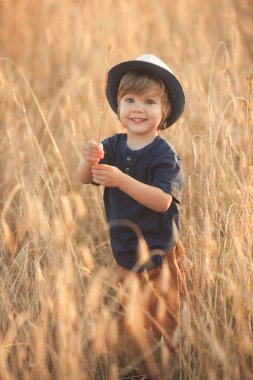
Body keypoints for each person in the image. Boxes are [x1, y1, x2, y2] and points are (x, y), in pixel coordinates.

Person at [77, 54, 186, 379]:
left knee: (161, 332)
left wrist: (122, 180)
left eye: (150, 101)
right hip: (125, 259)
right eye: (130, 99)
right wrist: (88, 159)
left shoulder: (165, 155)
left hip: (159, 263)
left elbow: (162, 201)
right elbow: (85, 178)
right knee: (134, 328)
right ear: (119, 105)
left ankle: (162, 374)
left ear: (164, 113)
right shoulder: (112, 145)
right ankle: (141, 371)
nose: (138, 108)